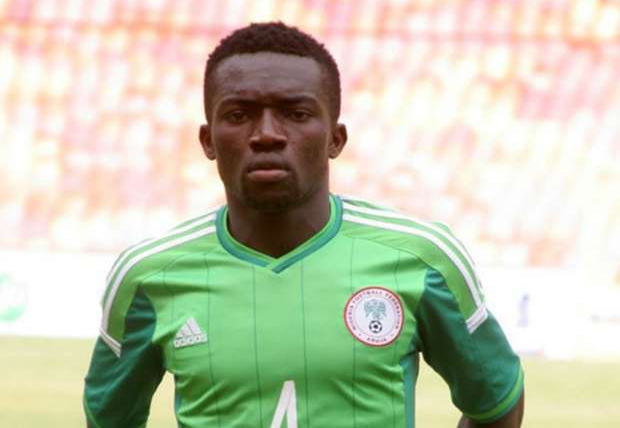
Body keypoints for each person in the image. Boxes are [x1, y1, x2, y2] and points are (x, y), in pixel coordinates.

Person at [84, 21, 524, 428]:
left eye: (296, 114)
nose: (267, 134)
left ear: (335, 138)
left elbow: (496, 404)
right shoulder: (148, 276)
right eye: (238, 114)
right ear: (208, 140)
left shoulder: (422, 258)